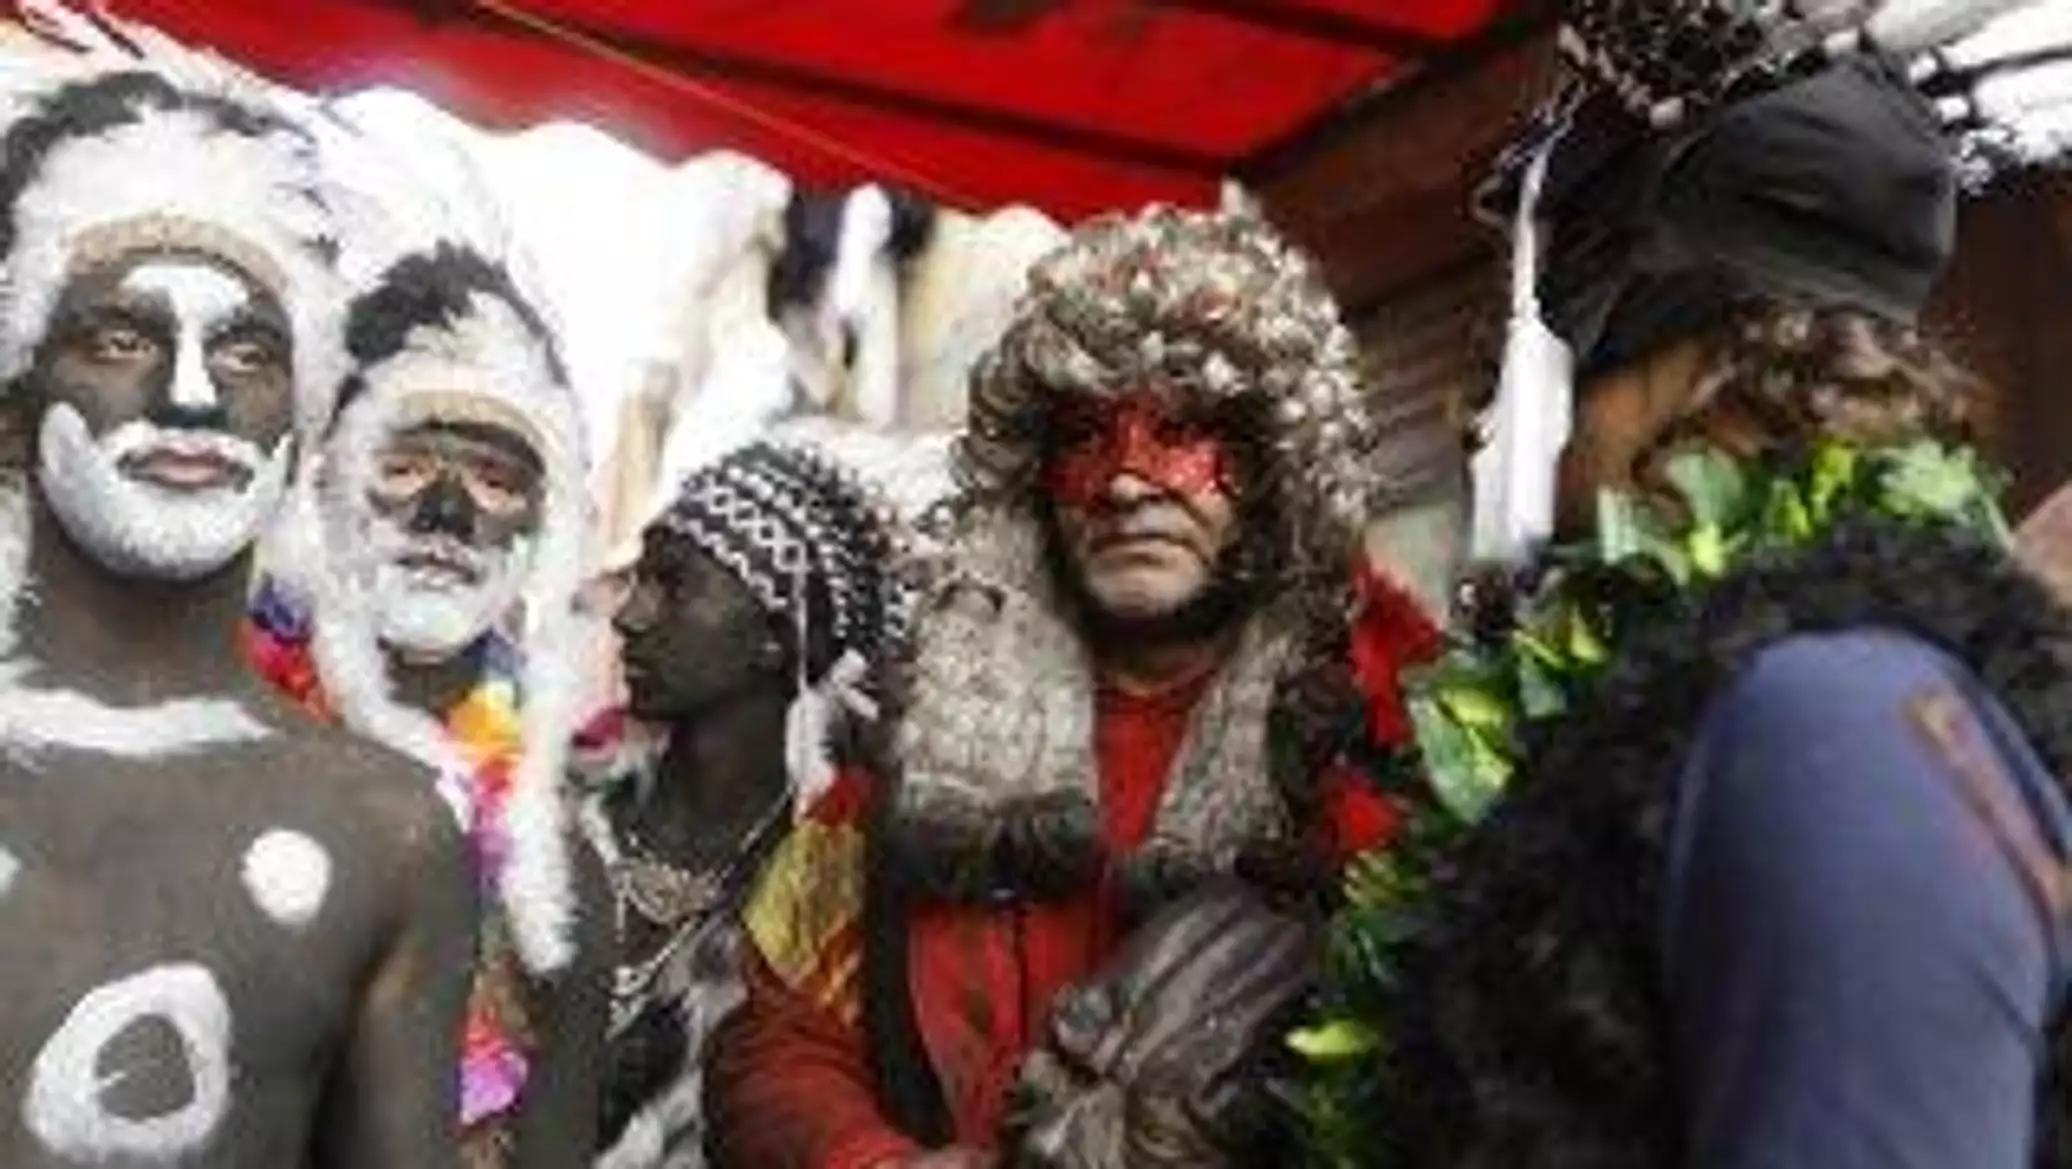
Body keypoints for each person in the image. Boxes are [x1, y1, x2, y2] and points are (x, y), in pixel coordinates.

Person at [1297, 4, 2072, 1166]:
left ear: (1682, 363)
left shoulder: (1832, 718)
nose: (1479, 415)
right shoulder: (1766, 690)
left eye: (1532, 348)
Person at [707, 205, 1425, 1168]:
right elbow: (775, 1034)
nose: (1125, 484)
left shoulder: (1382, 746)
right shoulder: (916, 739)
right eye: (1086, 437)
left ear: (1273, 472)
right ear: (1035, 484)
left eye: (1180, 431)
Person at [0, 57, 471, 1169]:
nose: (192, 396)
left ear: (301, 432)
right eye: (120, 339)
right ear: (13, 409)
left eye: (250, 352)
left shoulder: (389, 831)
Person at [247, 236, 611, 1167]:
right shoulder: (216, 758)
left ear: (544, 526)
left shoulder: (558, 880)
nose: (447, 517)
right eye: (406, 465)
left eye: (496, 480)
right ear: (326, 479)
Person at [579, 438, 905, 1169]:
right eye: (638, 578)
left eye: (673, 584)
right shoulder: (555, 810)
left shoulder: (834, 875)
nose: (630, 615)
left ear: (776, 637)